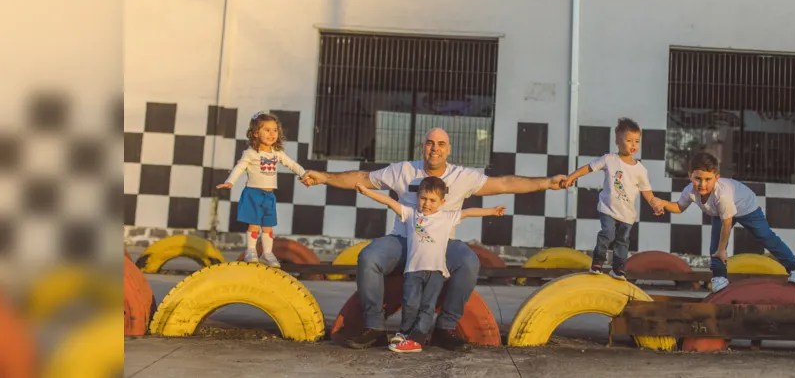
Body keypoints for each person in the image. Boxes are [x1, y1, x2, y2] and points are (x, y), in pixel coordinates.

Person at [300, 127, 567, 351]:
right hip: (402, 242)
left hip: (440, 246)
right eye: (430, 143)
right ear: (422, 148)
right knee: (369, 256)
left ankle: (446, 327)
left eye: (441, 144)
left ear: (448, 149)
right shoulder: (403, 171)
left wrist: (547, 182)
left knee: (469, 261)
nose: (434, 148)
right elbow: (361, 178)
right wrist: (323, 177)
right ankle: (373, 326)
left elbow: (506, 183)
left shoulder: (463, 176)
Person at [354, 177, 505, 353]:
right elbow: (388, 201)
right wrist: (366, 191)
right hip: (412, 271)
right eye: (423, 198)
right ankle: (405, 334)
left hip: (435, 272)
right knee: (409, 303)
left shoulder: (447, 217)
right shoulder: (411, 215)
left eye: (432, 200)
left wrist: (492, 211)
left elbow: (469, 211)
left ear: (442, 202)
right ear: (417, 197)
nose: (427, 203)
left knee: (427, 305)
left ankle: (417, 339)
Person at [658, 151, 795, 292]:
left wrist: (723, 250)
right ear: (690, 176)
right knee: (715, 244)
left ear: (716, 177)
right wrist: (662, 203)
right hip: (720, 212)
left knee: (766, 237)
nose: (702, 184)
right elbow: (679, 207)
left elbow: (727, 224)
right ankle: (719, 277)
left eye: (708, 179)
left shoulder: (722, 196)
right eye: (698, 179)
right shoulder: (690, 190)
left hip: (746, 207)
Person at [564, 118, 665, 281]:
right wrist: (572, 177)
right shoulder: (609, 159)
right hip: (607, 209)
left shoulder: (640, 170)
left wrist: (655, 205)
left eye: (637, 141)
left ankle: (618, 269)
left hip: (627, 214)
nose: (633, 145)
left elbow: (647, 192)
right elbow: (589, 167)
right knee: (607, 233)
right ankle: (597, 262)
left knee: (622, 241)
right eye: (629, 140)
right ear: (618, 142)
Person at [217, 112, 306, 268]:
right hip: (253, 193)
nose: (272, 134)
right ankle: (251, 251)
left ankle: (267, 253)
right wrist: (229, 182)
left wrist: (304, 174)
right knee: (254, 225)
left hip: (269, 195)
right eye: (267, 130)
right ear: (256, 133)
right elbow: (239, 167)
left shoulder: (277, 153)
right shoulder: (251, 153)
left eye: (275, 130)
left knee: (268, 226)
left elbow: (291, 164)